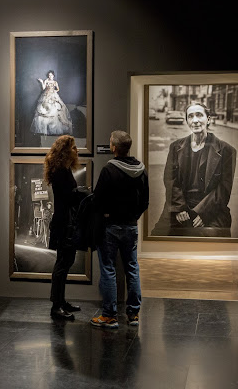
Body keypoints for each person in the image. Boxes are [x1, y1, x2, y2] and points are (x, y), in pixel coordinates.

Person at [90, 131, 149, 328]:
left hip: (110, 227)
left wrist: (106, 214)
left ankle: (109, 315)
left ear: (114, 148)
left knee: (108, 269)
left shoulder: (109, 169)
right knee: (132, 268)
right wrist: (133, 217)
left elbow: (97, 200)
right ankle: (133, 314)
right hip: (131, 226)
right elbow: (145, 201)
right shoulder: (141, 169)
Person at [152, 102, 237, 237]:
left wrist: (202, 213)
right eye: (190, 116)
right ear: (187, 121)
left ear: (208, 119)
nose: (195, 120)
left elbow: (224, 189)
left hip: (210, 208)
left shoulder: (227, 150)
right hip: (180, 205)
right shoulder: (176, 147)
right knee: (158, 236)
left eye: (199, 115)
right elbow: (170, 180)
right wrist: (179, 208)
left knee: (210, 240)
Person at [44, 135, 81, 320]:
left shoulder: (64, 170)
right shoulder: (60, 172)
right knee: (62, 264)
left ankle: (61, 301)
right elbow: (68, 197)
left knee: (65, 263)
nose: (77, 150)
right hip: (63, 223)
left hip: (66, 222)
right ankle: (56, 306)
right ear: (65, 151)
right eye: (74, 147)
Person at [30, 70, 73, 136]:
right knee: (44, 110)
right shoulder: (46, 81)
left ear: (53, 75)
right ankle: (45, 130)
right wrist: (42, 82)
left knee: (56, 110)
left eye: (51, 75)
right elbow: (43, 88)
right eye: (49, 75)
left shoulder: (55, 82)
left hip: (53, 96)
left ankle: (54, 129)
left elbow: (58, 89)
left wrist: (54, 91)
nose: (50, 76)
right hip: (46, 96)